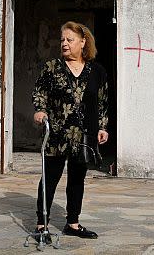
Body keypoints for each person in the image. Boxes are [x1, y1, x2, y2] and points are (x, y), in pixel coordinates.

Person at [32, 21, 109, 240]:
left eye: (70, 39)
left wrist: (103, 126)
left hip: (84, 135)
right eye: (62, 40)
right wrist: (40, 110)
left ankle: (72, 223)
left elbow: (102, 101)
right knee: (50, 178)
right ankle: (41, 225)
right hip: (56, 133)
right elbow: (40, 93)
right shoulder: (52, 68)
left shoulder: (97, 71)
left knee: (77, 180)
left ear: (83, 42)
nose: (64, 44)